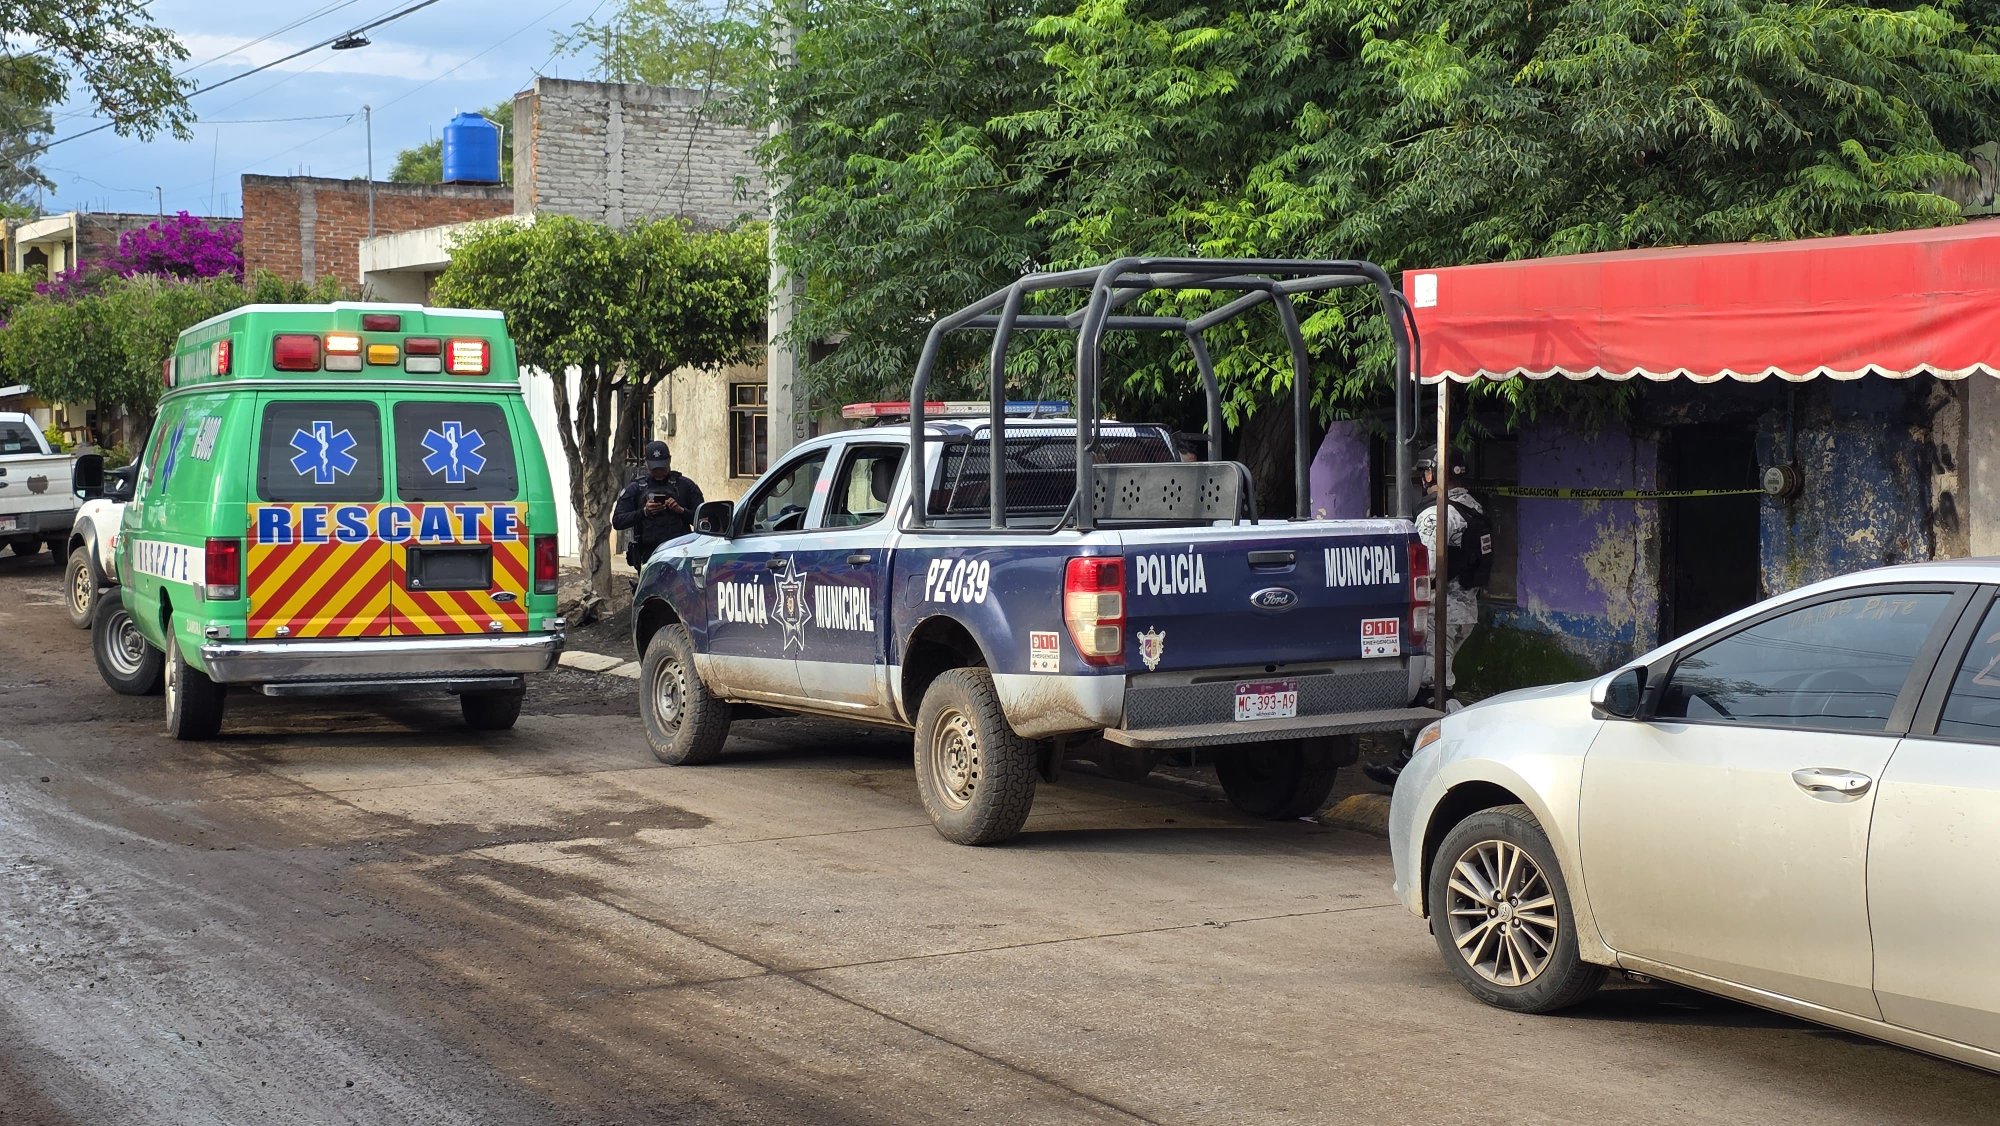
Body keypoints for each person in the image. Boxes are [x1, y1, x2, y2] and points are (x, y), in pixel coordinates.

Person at [1363, 445, 1493, 788]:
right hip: (1465, 611)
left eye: (1426, 471)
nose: (1423, 478)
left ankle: (1453, 758)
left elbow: (1426, 569)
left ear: (1436, 472)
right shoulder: (1473, 506)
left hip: (1440, 613)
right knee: (1433, 685)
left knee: (1431, 690)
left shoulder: (1437, 513)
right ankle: (1412, 762)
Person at [612, 440, 705, 570]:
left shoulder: (685, 486)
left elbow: (704, 521)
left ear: (670, 460)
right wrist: (644, 512)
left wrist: (681, 510)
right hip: (649, 556)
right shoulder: (636, 488)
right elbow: (618, 521)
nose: (659, 472)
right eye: (655, 469)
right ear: (646, 463)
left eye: (662, 467)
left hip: (681, 555)